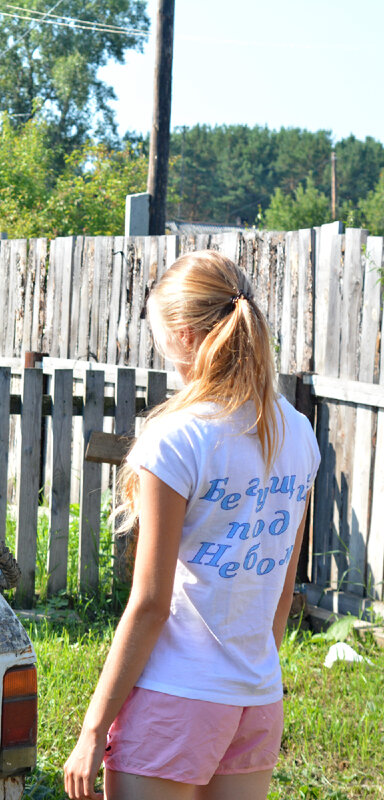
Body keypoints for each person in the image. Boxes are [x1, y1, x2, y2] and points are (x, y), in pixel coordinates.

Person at [63, 250, 320, 800]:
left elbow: (150, 602)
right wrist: (249, 675)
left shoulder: (177, 436)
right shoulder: (297, 431)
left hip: (175, 698)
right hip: (257, 697)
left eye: (158, 337)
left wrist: (90, 732)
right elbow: (279, 586)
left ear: (181, 334)